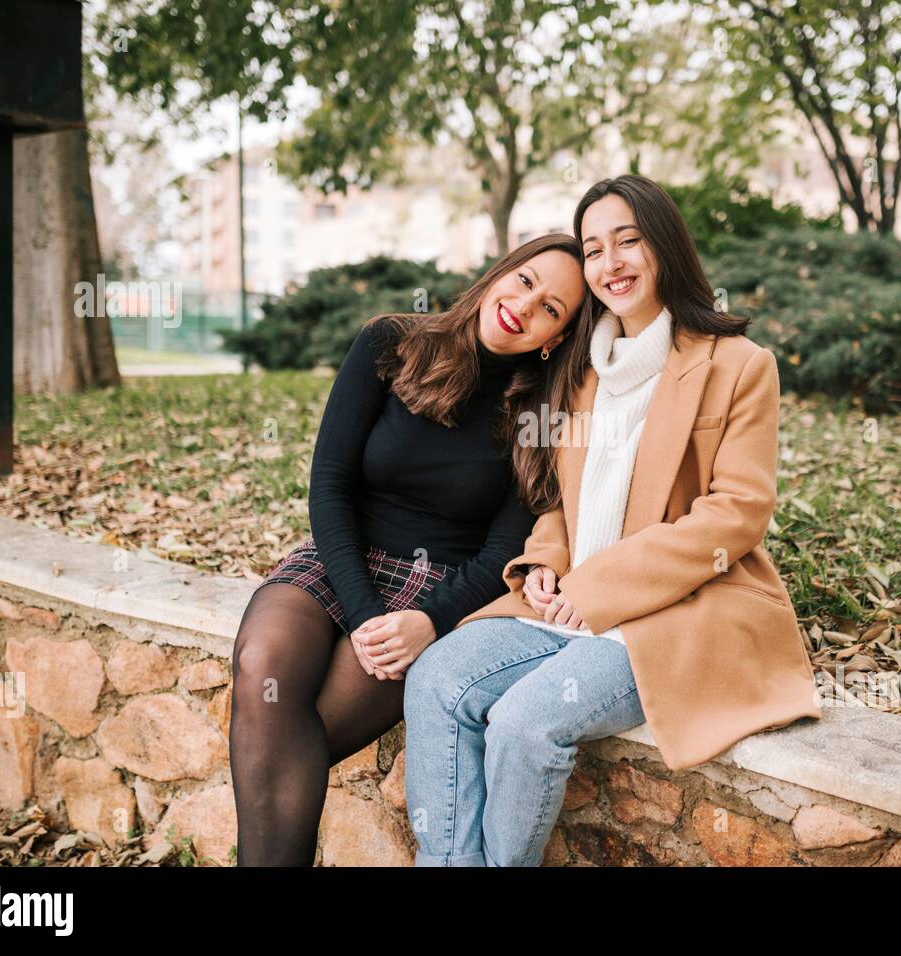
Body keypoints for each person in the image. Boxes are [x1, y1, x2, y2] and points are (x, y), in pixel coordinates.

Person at [403, 175, 822, 867]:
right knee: (436, 678)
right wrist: (545, 563)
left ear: (665, 247)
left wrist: (596, 590)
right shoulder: (577, 368)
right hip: (563, 603)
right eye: (594, 248)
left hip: (668, 614)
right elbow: (555, 498)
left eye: (629, 241)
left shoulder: (740, 366)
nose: (610, 263)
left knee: (525, 721)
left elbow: (735, 514)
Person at [230, 233, 593, 866]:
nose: (525, 306)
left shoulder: (542, 412)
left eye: (552, 309)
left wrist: (428, 623)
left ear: (554, 339)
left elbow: (503, 547)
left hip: (435, 595)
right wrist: (364, 607)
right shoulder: (391, 343)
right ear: (503, 272)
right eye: (527, 281)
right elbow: (330, 483)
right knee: (263, 667)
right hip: (338, 557)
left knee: (289, 732)